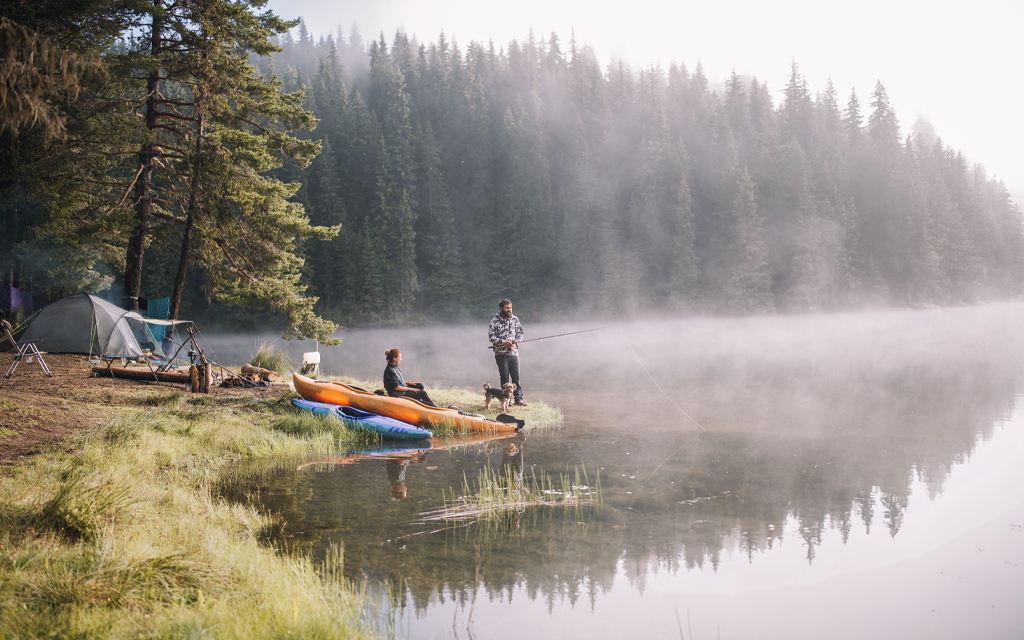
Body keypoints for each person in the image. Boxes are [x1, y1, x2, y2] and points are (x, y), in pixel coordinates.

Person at [487, 299, 526, 406]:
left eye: (510, 307)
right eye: (507, 308)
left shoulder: (515, 319)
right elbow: (491, 337)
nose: (509, 310)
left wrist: (515, 342)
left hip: (514, 353)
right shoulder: (494, 321)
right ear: (501, 309)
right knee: (504, 377)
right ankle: (506, 400)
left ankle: (518, 399)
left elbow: (520, 332)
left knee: (516, 377)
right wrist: (504, 342)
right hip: (500, 354)